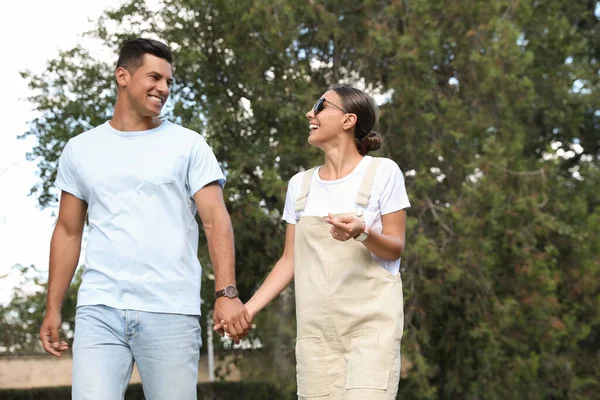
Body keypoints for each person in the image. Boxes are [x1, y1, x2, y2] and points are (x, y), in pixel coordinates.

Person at [38, 38, 251, 400]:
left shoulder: (188, 145)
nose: (164, 89)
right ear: (123, 75)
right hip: (99, 309)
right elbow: (69, 231)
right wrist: (52, 308)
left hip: (170, 310)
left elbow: (216, 221)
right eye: (155, 77)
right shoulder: (80, 149)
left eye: (169, 82)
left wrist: (227, 293)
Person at [218, 85, 410, 399]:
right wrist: (247, 311)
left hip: (370, 337)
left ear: (348, 120)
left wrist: (362, 232)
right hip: (316, 342)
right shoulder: (300, 185)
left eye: (321, 105)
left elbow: (396, 246)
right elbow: (289, 261)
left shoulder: (382, 173)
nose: (311, 113)